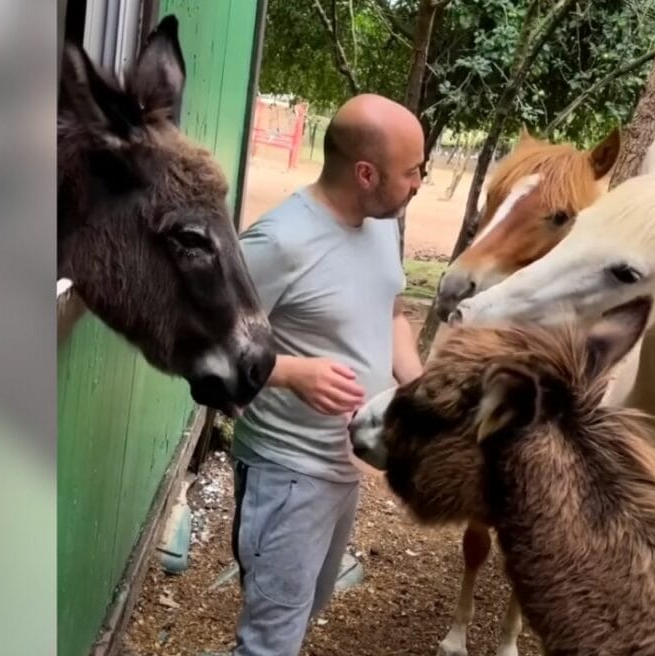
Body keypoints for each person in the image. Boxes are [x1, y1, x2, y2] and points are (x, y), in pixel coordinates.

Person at [225, 94, 425, 655]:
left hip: (346, 465)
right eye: (411, 171)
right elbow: (209, 342)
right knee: (272, 636)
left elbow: (391, 313)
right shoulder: (279, 241)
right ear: (366, 173)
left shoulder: (381, 224)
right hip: (287, 471)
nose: (418, 184)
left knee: (305, 607)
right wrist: (290, 372)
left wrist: (418, 385)